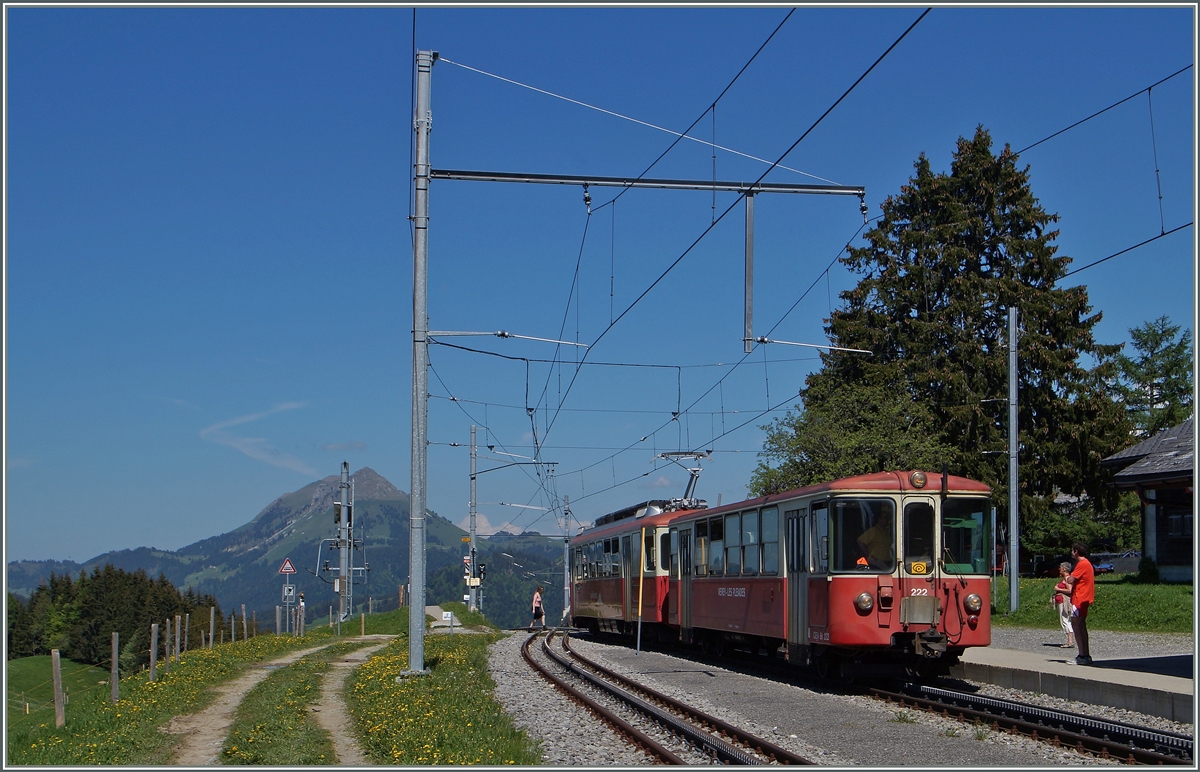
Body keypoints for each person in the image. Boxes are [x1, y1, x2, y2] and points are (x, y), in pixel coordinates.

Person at [1064, 542, 1094, 665]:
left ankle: (1082, 655)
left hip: (1080, 598)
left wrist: (1066, 576)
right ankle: (1085, 654)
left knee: (1077, 625)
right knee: (1081, 626)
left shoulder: (1082, 564)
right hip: (1083, 598)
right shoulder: (1086, 563)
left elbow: (1071, 579)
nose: (1071, 552)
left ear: (1076, 551)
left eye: (1072, 550)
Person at [1052, 562, 1075, 648]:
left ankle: (1070, 641)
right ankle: (1069, 640)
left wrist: (1058, 589)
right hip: (1061, 601)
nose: (1059, 569)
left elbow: (1070, 590)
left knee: (1065, 620)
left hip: (1064, 602)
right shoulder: (1065, 578)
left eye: (1061, 568)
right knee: (1064, 620)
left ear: (1064, 569)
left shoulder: (1067, 579)